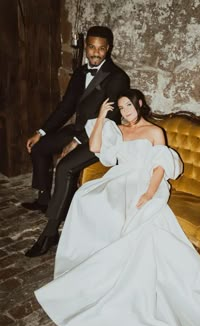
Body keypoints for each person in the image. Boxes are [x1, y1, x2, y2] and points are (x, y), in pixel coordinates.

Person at [35, 89, 200, 326]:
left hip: (144, 181)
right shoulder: (116, 128)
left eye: (129, 105)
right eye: (121, 107)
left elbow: (160, 166)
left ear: (139, 104)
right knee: (86, 197)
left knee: (124, 211)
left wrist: (150, 193)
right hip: (119, 177)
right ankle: (91, 263)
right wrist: (100, 116)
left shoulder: (154, 132)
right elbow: (95, 148)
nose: (126, 111)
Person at [23, 25, 130, 257]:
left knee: (64, 168)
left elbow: (109, 117)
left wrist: (75, 140)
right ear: (86, 48)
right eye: (91, 47)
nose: (95, 52)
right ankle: (44, 198)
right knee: (39, 147)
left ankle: (50, 233)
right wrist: (40, 132)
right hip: (80, 130)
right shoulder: (81, 73)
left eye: (101, 49)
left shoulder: (118, 78)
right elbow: (65, 107)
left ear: (108, 49)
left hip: (102, 136)